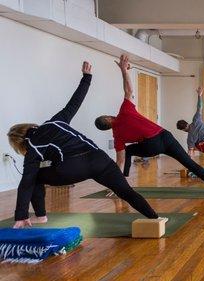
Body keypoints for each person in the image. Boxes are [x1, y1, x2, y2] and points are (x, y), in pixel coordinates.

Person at [7, 61, 160, 229]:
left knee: (34, 177)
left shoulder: (32, 148)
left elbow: (26, 182)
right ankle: (155, 219)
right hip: (99, 159)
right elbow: (74, 103)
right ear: (28, 126)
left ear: (20, 142)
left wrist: (20, 215)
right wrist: (87, 78)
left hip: (73, 167)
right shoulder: (56, 121)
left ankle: (41, 216)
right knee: (126, 192)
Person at [94, 55, 204, 194]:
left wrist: (116, 185)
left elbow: (120, 162)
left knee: (129, 151)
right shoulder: (124, 111)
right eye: (107, 116)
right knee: (189, 163)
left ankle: (124, 184)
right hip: (165, 136)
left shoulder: (117, 137)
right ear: (108, 119)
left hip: (152, 146)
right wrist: (124, 71)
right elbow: (129, 91)